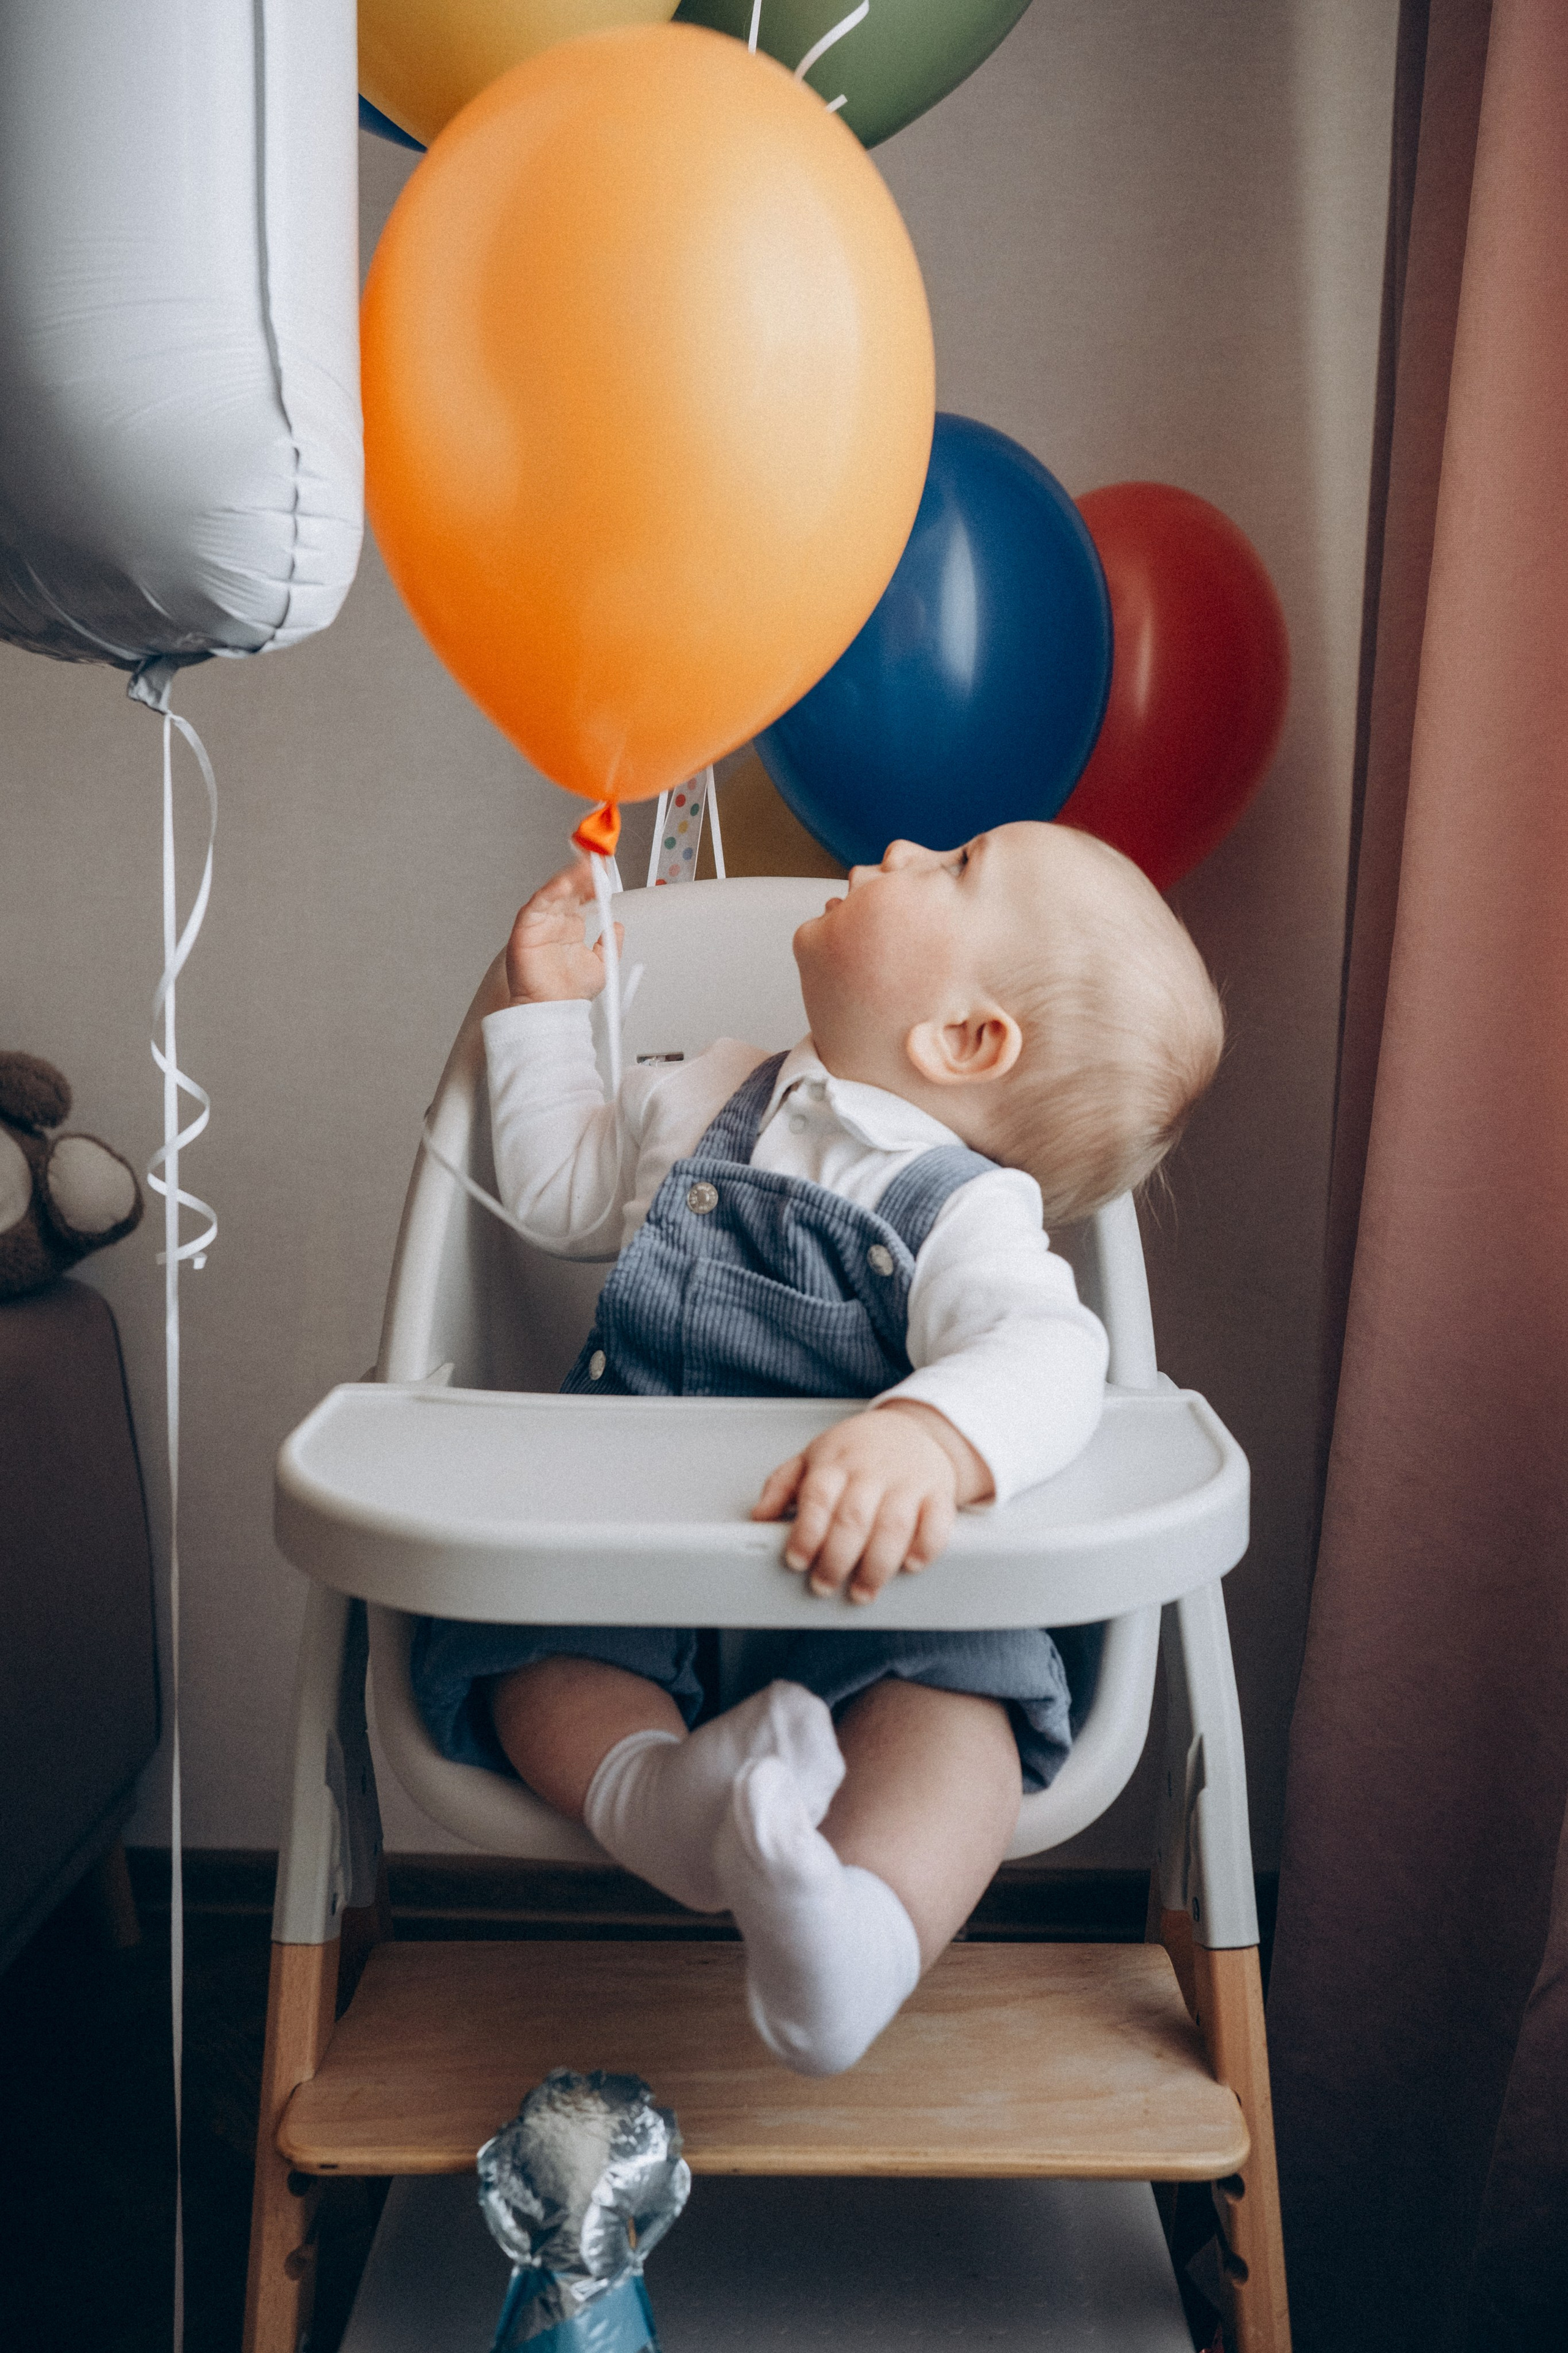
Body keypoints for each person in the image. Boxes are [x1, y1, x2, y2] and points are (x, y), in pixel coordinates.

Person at [413, 823, 1223, 2074]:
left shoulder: (965, 1210)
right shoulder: (703, 1087)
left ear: (965, 1038)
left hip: (863, 1589)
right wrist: (545, 1016)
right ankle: (667, 1801)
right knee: (531, 1652)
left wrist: (928, 1437)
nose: (901, 844)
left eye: (956, 867)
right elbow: (558, 1194)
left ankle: (861, 1937)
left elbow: (1051, 1350)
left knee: (968, 1704)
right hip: (635, 1554)